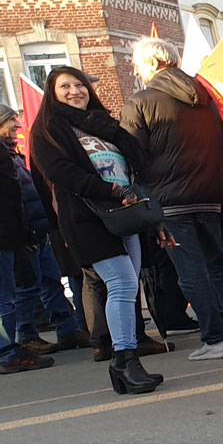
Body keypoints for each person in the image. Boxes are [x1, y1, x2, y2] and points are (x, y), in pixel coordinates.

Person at [121, 37, 223, 361]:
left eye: (138, 65)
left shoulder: (142, 100)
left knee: (190, 272)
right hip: (209, 194)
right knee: (219, 266)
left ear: (151, 64)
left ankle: (215, 338)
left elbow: (131, 153)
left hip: (169, 199)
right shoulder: (205, 95)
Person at [30, 67, 158, 391]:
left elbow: (136, 164)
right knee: (121, 283)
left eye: (80, 84)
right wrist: (111, 190)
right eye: (65, 86)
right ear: (52, 92)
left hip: (126, 214)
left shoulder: (104, 124)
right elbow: (61, 173)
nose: (76, 91)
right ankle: (124, 361)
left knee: (129, 289)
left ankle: (129, 362)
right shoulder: (48, 128)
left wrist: (146, 209)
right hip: (87, 218)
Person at [0, 105, 89, 358]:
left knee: (51, 281)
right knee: (25, 288)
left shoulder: (13, 156)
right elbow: (12, 201)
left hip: (38, 232)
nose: (18, 127)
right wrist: (24, 233)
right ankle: (26, 337)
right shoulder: (6, 157)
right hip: (22, 235)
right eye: (12, 122)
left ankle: (68, 329)